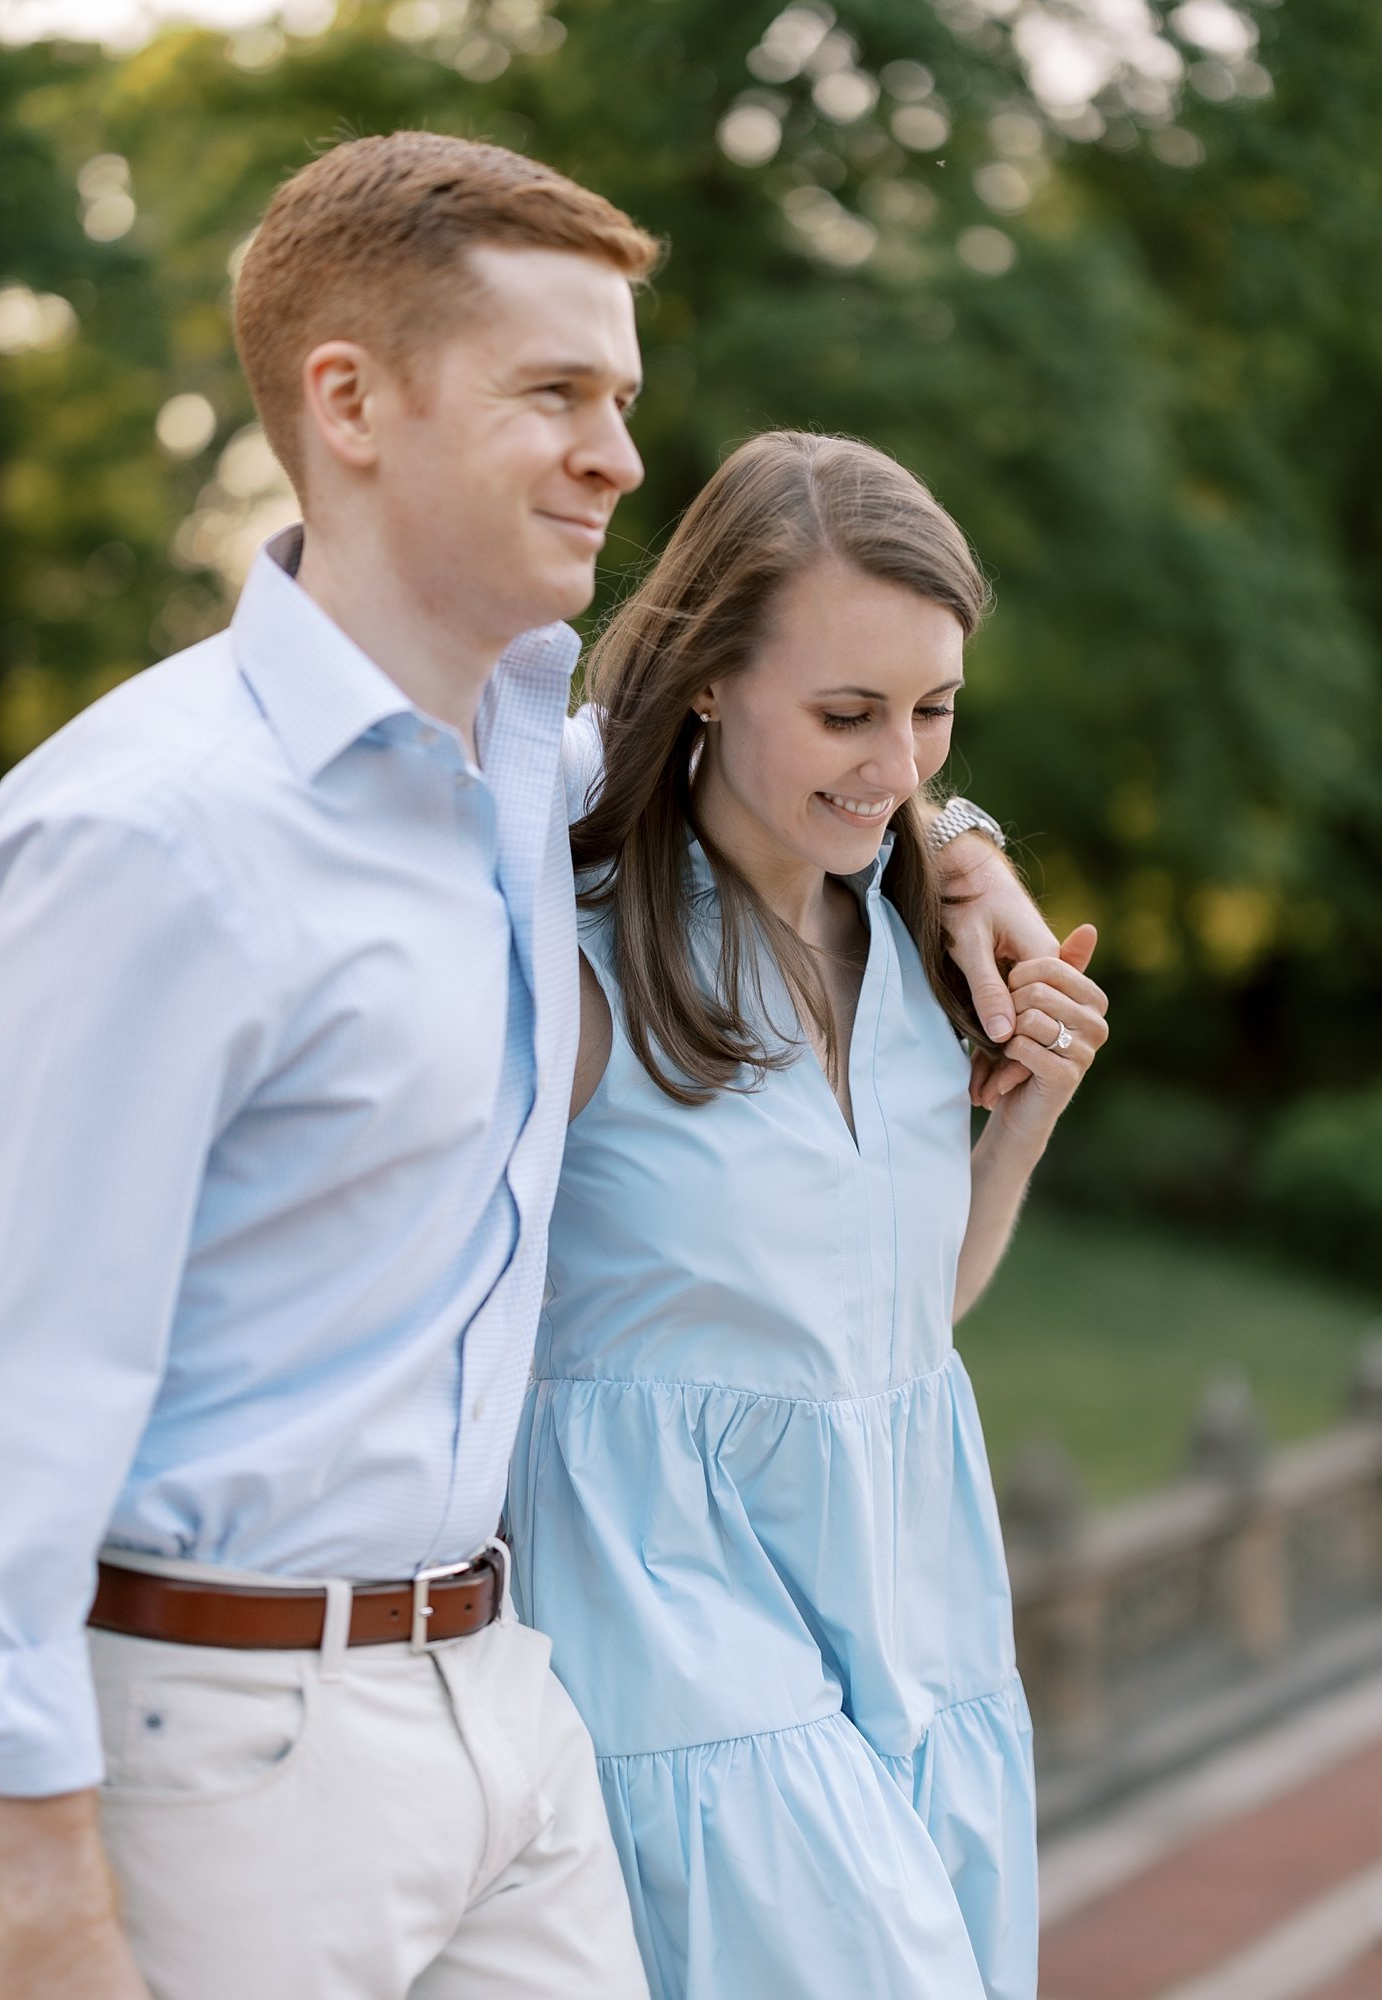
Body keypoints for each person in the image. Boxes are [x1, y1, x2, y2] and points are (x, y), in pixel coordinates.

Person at [0, 135, 1055, 2000]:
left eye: (624, 399)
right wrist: (41, 1902)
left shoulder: (526, 757)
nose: (619, 454)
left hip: (504, 1698)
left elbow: (790, 775)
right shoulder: (152, 835)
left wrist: (963, 849)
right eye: (558, 395)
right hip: (229, 1731)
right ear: (347, 403)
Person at [507, 431, 1110, 2000]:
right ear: (706, 676)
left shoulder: (914, 933)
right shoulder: (571, 948)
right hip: (668, 1607)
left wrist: (1026, 1116)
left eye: (935, 713)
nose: (899, 767)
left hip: (916, 1592)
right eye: (847, 713)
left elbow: (906, 1323)